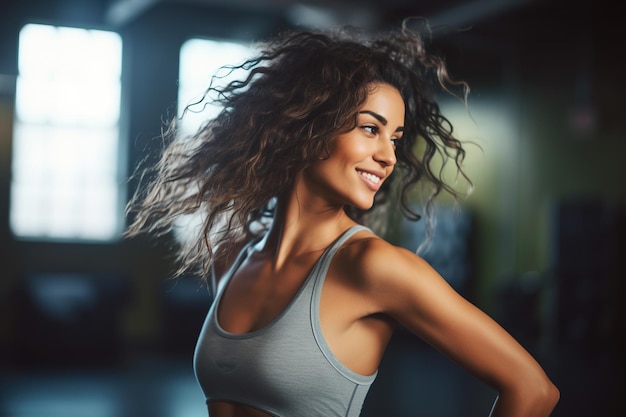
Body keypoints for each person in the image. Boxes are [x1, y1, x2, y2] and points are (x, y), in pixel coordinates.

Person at [125, 18, 559, 417]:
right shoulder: (232, 256)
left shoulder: (371, 267)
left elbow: (532, 389)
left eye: (396, 138)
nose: (389, 156)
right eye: (371, 129)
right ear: (307, 124)